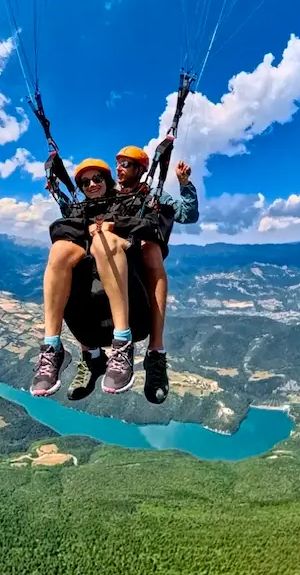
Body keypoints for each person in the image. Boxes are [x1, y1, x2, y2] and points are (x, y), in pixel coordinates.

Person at [30, 158, 155, 397]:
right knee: (58, 251)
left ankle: (122, 341)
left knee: (103, 241)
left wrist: (108, 226)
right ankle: (51, 347)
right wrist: (88, 224)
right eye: (85, 182)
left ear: (107, 181)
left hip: (123, 267)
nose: (91, 185)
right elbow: (62, 230)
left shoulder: (130, 202)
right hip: (87, 278)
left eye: (97, 179)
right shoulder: (79, 211)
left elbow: (149, 226)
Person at [111, 145, 199, 404]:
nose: (119, 168)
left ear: (140, 170)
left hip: (142, 255)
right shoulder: (109, 195)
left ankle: (156, 352)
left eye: (126, 164)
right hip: (113, 256)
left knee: (152, 250)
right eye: (118, 163)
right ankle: (91, 353)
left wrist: (185, 185)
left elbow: (187, 215)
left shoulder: (155, 197)